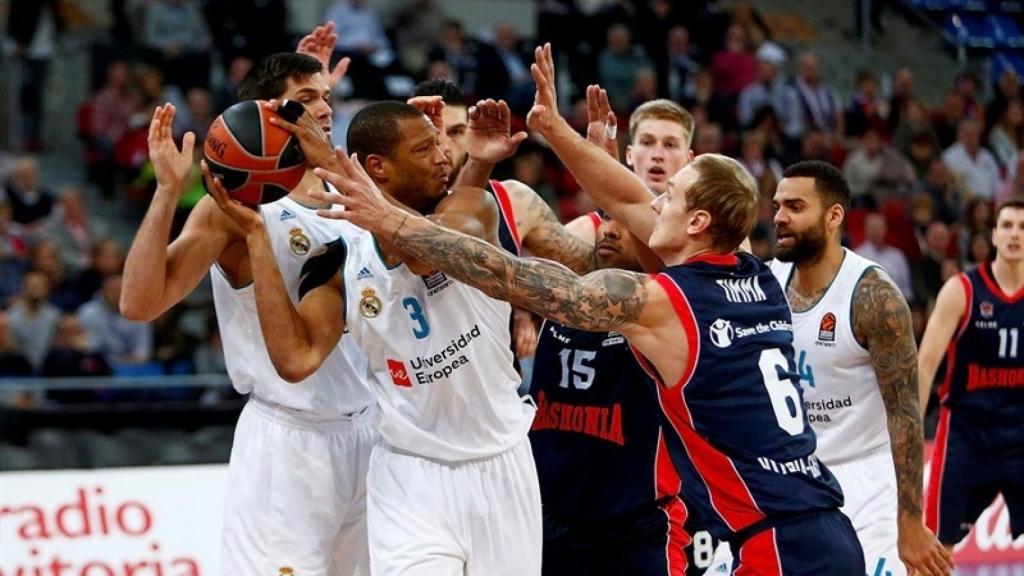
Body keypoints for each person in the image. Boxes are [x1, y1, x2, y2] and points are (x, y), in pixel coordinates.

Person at [315, 43, 864, 575]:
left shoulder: (664, 301)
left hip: (767, 541)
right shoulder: (757, 275)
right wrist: (553, 128)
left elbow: (514, 276)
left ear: (696, 223)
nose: (653, 202)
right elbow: (625, 198)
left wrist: (388, 220)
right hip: (820, 527)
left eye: (668, 197)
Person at [211, 100, 541, 575]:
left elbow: (425, 256)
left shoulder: (472, 209)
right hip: (409, 475)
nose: (444, 155)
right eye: (425, 147)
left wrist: (334, 167)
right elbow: (296, 358)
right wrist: (257, 238)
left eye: (441, 144)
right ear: (378, 168)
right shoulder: (338, 262)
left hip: (499, 461)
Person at [120, 32, 378, 575]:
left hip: (375, 432)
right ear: (268, 114)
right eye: (307, 99)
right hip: (290, 441)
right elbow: (139, 304)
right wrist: (168, 190)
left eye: (328, 96)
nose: (325, 109)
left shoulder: (356, 191)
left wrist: (313, 83)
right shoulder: (234, 207)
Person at [768, 161, 952, 576]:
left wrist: (910, 522)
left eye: (795, 206)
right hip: (792, 479)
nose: (779, 217)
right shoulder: (769, 281)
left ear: (834, 216)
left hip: (866, 481)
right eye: (777, 206)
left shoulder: (874, 297)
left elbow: (904, 414)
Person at [530, 210, 719, 576]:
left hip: (637, 530)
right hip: (550, 523)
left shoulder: (667, 321)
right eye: (604, 220)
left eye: (624, 225)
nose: (609, 231)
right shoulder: (555, 301)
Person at [918, 199, 1024, 556]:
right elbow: (925, 364)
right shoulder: (961, 289)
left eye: (1023, 228)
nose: (1015, 234)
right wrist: (910, 429)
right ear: (993, 235)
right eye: (1007, 226)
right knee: (935, 550)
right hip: (967, 435)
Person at [563, 97, 696, 246]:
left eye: (670, 145)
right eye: (647, 142)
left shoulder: (700, 227)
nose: (657, 154)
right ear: (629, 155)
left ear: (688, 160)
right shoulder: (588, 230)